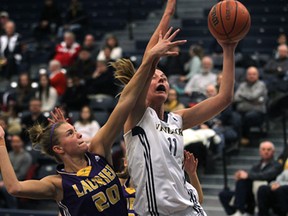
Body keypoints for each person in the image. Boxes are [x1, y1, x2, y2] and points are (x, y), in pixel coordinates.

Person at [0, 23, 186, 215]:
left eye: (75, 130)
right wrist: (0, 142)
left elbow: (124, 103)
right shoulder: (57, 184)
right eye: (71, 133)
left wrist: (149, 60)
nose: (79, 134)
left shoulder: (98, 152)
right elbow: (15, 188)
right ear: (58, 148)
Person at [113, 0, 241, 215]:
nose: (160, 78)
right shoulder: (137, 116)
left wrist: (228, 48)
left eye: (164, 77)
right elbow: (148, 62)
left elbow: (224, 98)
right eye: (154, 78)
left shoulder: (177, 119)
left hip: (190, 208)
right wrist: (169, 10)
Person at [219, 141, 282, 216]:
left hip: (265, 193)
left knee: (244, 181)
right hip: (250, 193)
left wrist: (247, 175)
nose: (266, 152)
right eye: (263, 149)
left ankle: (241, 211)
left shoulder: (277, 165)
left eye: (268, 150)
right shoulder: (256, 166)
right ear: (260, 151)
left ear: (273, 152)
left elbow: (266, 175)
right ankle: (240, 212)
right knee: (224, 194)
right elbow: (250, 175)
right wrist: (241, 175)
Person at [233, 66, 268, 145]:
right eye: (249, 74)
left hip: (258, 112)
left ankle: (247, 138)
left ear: (258, 75)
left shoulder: (261, 85)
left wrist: (243, 96)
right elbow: (235, 98)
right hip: (241, 111)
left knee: (249, 116)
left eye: (254, 74)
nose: (251, 76)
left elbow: (254, 96)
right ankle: (238, 140)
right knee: (235, 117)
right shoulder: (242, 85)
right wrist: (251, 100)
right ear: (246, 75)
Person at [0, 134, 32, 209]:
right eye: (13, 142)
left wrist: (4, 182)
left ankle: (13, 209)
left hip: (18, 181)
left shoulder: (26, 156)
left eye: (17, 142)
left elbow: (22, 174)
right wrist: (1, 180)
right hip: (4, 180)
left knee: (7, 188)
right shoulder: (9, 154)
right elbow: (2, 171)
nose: (15, 144)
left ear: (22, 143)